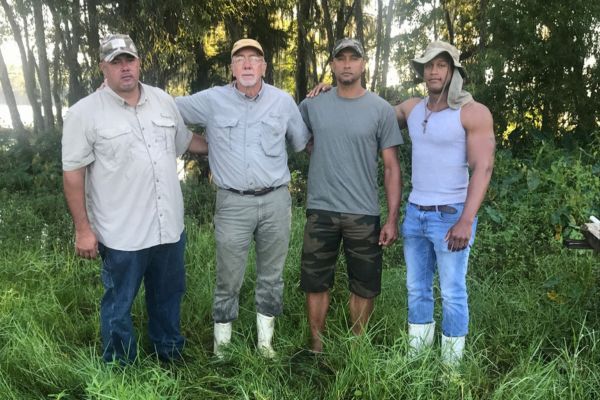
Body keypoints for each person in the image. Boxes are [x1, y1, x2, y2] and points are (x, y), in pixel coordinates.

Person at [62, 34, 207, 364]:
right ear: (103, 68)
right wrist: (83, 230)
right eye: (116, 62)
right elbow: (73, 175)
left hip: (168, 228)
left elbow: (186, 143)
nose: (124, 67)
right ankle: (120, 366)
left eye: (129, 60)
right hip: (121, 234)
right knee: (119, 303)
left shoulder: (163, 101)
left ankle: (168, 355)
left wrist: (233, 142)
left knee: (168, 296)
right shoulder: (84, 113)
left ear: (139, 62)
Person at [174, 39, 310, 358]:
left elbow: (302, 142)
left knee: (272, 276)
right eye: (240, 59)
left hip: (276, 201)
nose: (247, 64)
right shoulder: (211, 101)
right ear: (232, 68)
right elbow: (167, 108)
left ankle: (266, 345)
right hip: (232, 203)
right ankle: (222, 349)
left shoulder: (282, 101)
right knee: (228, 277)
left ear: (264, 66)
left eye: (254, 58)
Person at [299, 38, 403, 353]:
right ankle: (317, 345)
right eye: (340, 58)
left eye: (353, 58)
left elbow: (391, 168)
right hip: (321, 210)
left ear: (363, 64)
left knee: (365, 284)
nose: (347, 64)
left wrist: (392, 218)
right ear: (332, 64)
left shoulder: (381, 109)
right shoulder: (312, 105)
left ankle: (357, 346)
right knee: (315, 281)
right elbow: (299, 139)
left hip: (363, 213)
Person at [395, 41, 495, 364]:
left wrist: (467, 219)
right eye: (428, 65)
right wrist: (330, 91)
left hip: (451, 215)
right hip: (415, 214)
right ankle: (418, 360)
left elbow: (484, 167)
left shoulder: (471, 112)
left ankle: (451, 369)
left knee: (452, 292)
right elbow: (369, 113)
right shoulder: (412, 109)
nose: (433, 71)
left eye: (440, 65)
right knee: (416, 288)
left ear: (453, 70)